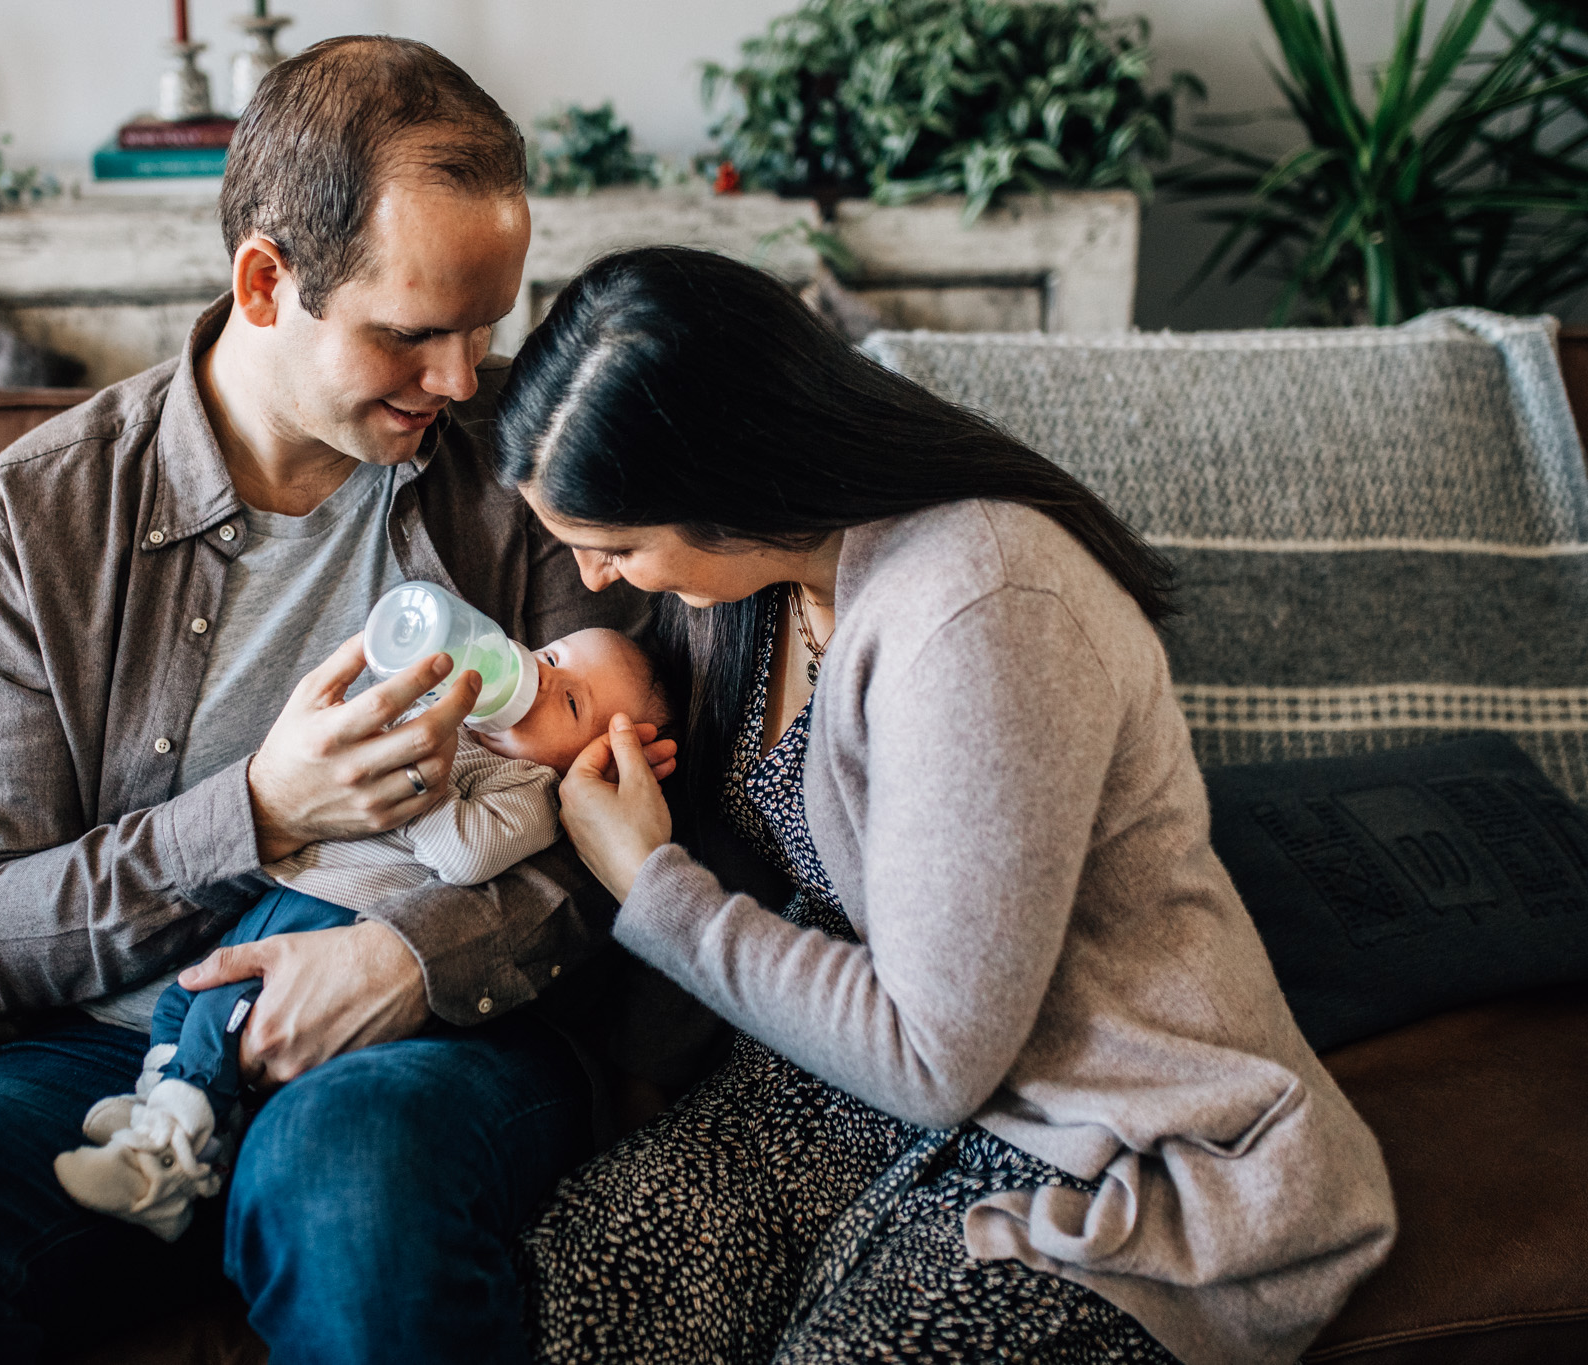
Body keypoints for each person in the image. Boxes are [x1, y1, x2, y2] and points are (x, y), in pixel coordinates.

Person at [0, 38, 676, 1365]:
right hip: (109, 1062)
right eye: (411, 333)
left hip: (425, 1041)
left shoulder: (522, 469)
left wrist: (407, 960)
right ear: (266, 281)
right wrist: (261, 811)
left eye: (486, 328)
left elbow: (633, 814)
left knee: (348, 1194)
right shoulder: (40, 516)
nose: (464, 382)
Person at [494, 247, 1398, 1365]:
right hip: (837, 1086)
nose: (592, 581)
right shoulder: (757, 587)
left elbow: (933, 1061)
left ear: (729, 479)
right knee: (594, 1288)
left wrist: (649, 883)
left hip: (1092, 1129)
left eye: (615, 547)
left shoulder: (979, 609)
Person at [53, 627, 672, 1241]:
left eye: (569, 703)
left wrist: (421, 771)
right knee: (184, 999)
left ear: (590, 760)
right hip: (293, 892)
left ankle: (163, 1160)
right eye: (550, 657)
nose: (541, 682)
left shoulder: (533, 791)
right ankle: (164, 1113)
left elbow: (466, 856)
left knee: (224, 1009)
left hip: (338, 916)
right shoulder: (451, 721)